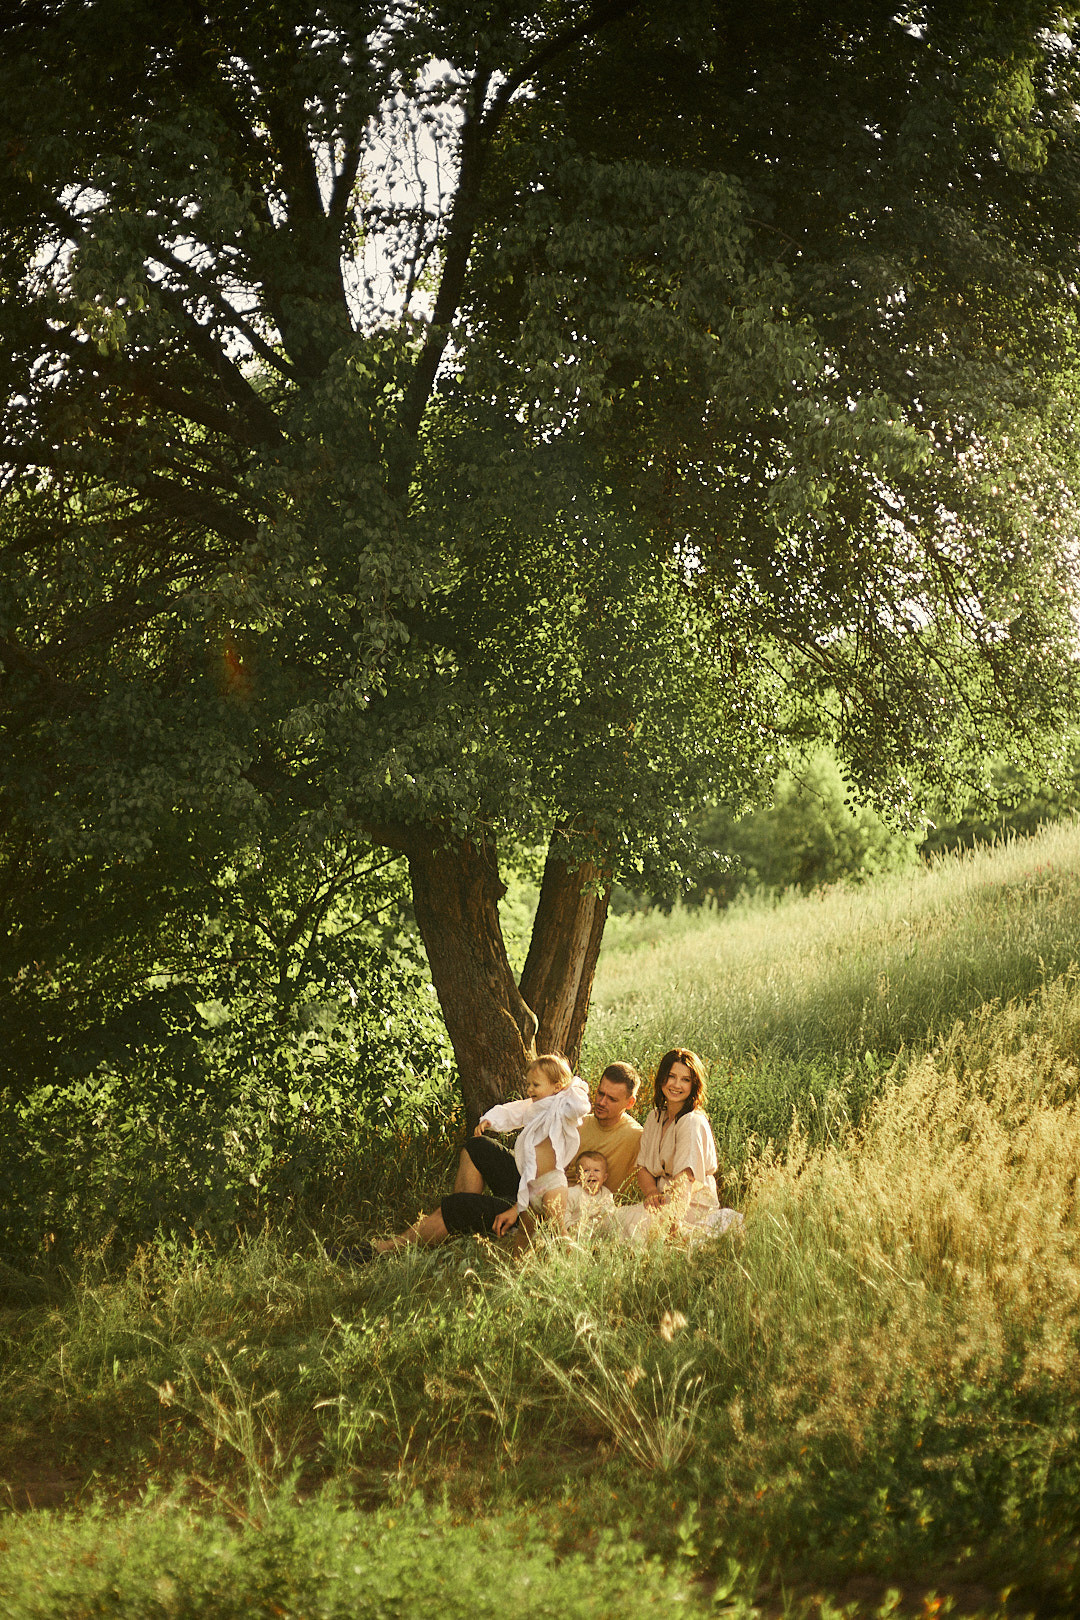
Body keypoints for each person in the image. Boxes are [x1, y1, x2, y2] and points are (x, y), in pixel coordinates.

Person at [373, 1053, 589, 1252]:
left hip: (550, 1184)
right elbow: (515, 1110)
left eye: (536, 1085)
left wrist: (571, 1088)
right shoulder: (537, 1105)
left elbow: (579, 1107)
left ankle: (575, 1259)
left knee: (557, 1230)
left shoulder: (564, 1108)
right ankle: (479, 1235)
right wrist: (490, 1120)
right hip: (530, 1183)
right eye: (529, 1084)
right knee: (479, 1147)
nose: (530, 1090)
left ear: (558, 1086)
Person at [613, 1048, 721, 1244]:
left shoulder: (692, 1122)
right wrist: (652, 1193)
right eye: (671, 1076)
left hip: (690, 1205)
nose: (677, 1085)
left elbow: (684, 1179)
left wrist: (673, 1222)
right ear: (662, 1078)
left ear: (694, 1084)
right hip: (662, 1201)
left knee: (633, 1227)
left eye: (685, 1079)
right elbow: (644, 1167)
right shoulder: (655, 1117)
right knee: (615, 1220)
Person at [565, 1061, 643, 1198]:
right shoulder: (577, 1124)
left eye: (612, 1099)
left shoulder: (636, 1136)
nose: (601, 1102)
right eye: (601, 1093)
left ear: (630, 1102)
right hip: (566, 1202)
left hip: (607, 1210)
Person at [562, 1149, 616, 1233]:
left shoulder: (606, 1194)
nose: (591, 1174)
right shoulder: (572, 1193)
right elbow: (564, 1214)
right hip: (575, 1231)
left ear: (605, 1177)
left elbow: (611, 1215)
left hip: (598, 1233)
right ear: (578, 1177)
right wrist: (571, 1227)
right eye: (586, 1170)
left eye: (596, 1170)